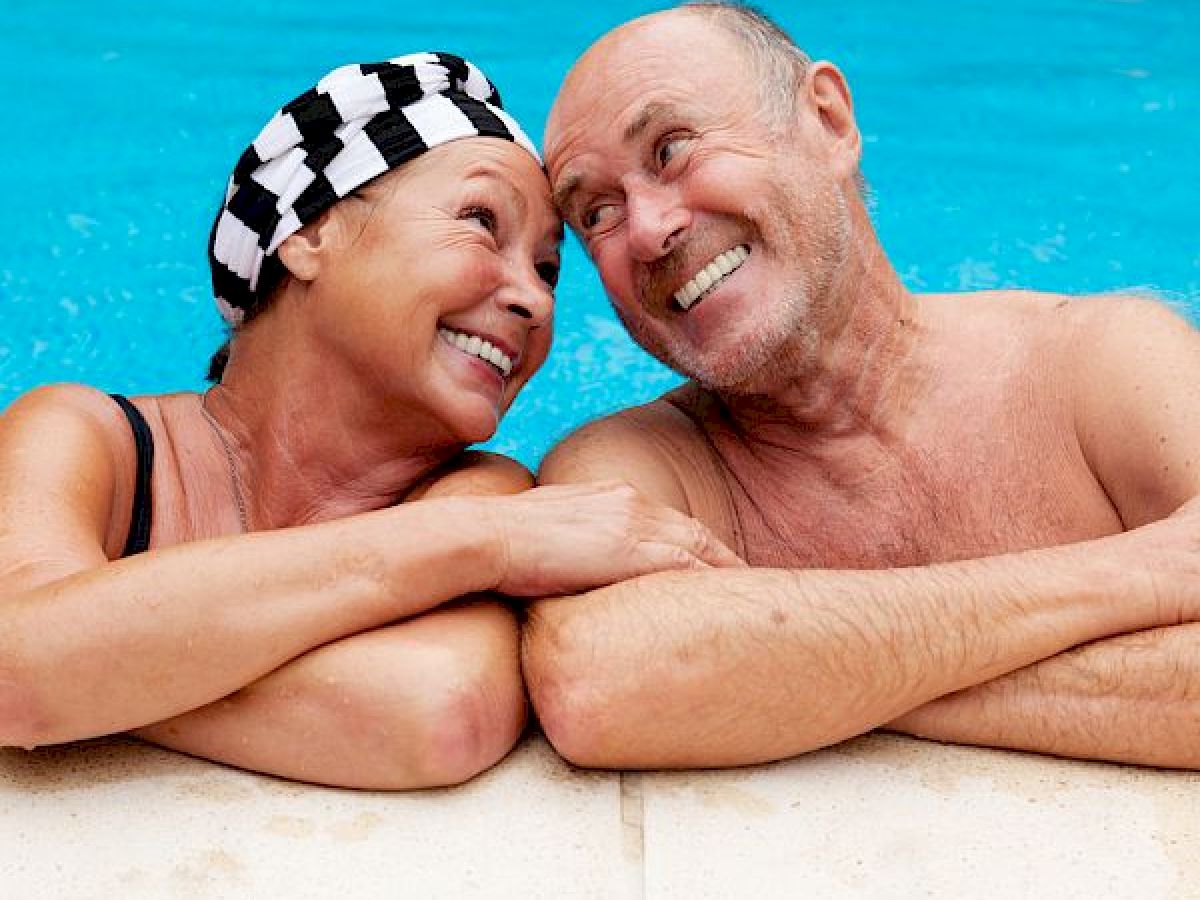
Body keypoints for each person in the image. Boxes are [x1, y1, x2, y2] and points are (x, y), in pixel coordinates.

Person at [0, 52, 738, 790]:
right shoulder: (87, 437)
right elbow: (13, 667)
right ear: (308, 235)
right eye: (481, 222)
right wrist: (486, 544)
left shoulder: (477, 492)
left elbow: (438, 713)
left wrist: (95, 671)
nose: (535, 300)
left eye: (546, 269)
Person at [520, 3, 1200, 771]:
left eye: (672, 149)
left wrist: (799, 673)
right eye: (597, 213)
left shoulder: (1100, 367)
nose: (646, 230)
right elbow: (600, 684)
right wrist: (1139, 575)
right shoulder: (639, 468)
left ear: (828, 120)